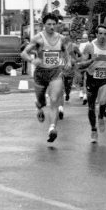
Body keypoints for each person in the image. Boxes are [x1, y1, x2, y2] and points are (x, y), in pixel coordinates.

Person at [21, 13, 74, 144]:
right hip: (40, 74)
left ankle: (52, 128)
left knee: (54, 99)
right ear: (43, 25)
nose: (51, 26)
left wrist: (68, 62)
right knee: (41, 102)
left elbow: (66, 51)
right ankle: (39, 108)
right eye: (48, 24)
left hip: (55, 72)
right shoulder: (38, 39)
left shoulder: (62, 38)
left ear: (57, 25)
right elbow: (23, 53)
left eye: (54, 24)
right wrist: (32, 60)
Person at [79, 24, 106, 143]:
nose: (102, 36)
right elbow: (82, 64)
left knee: (102, 101)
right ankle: (93, 129)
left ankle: (101, 116)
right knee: (91, 108)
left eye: (105, 34)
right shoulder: (89, 47)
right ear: (96, 34)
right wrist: (91, 60)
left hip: (105, 79)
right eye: (100, 33)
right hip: (92, 79)